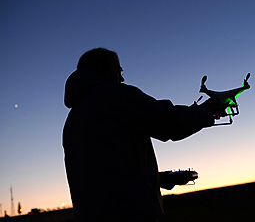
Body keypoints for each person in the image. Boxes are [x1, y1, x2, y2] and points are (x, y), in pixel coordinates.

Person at [62, 48, 224, 222]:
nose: (122, 78)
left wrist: (157, 179)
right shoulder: (113, 95)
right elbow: (169, 122)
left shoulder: (73, 119)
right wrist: (207, 111)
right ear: (105, 70)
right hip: (132, 213)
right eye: (119, 71)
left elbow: (103, 172)